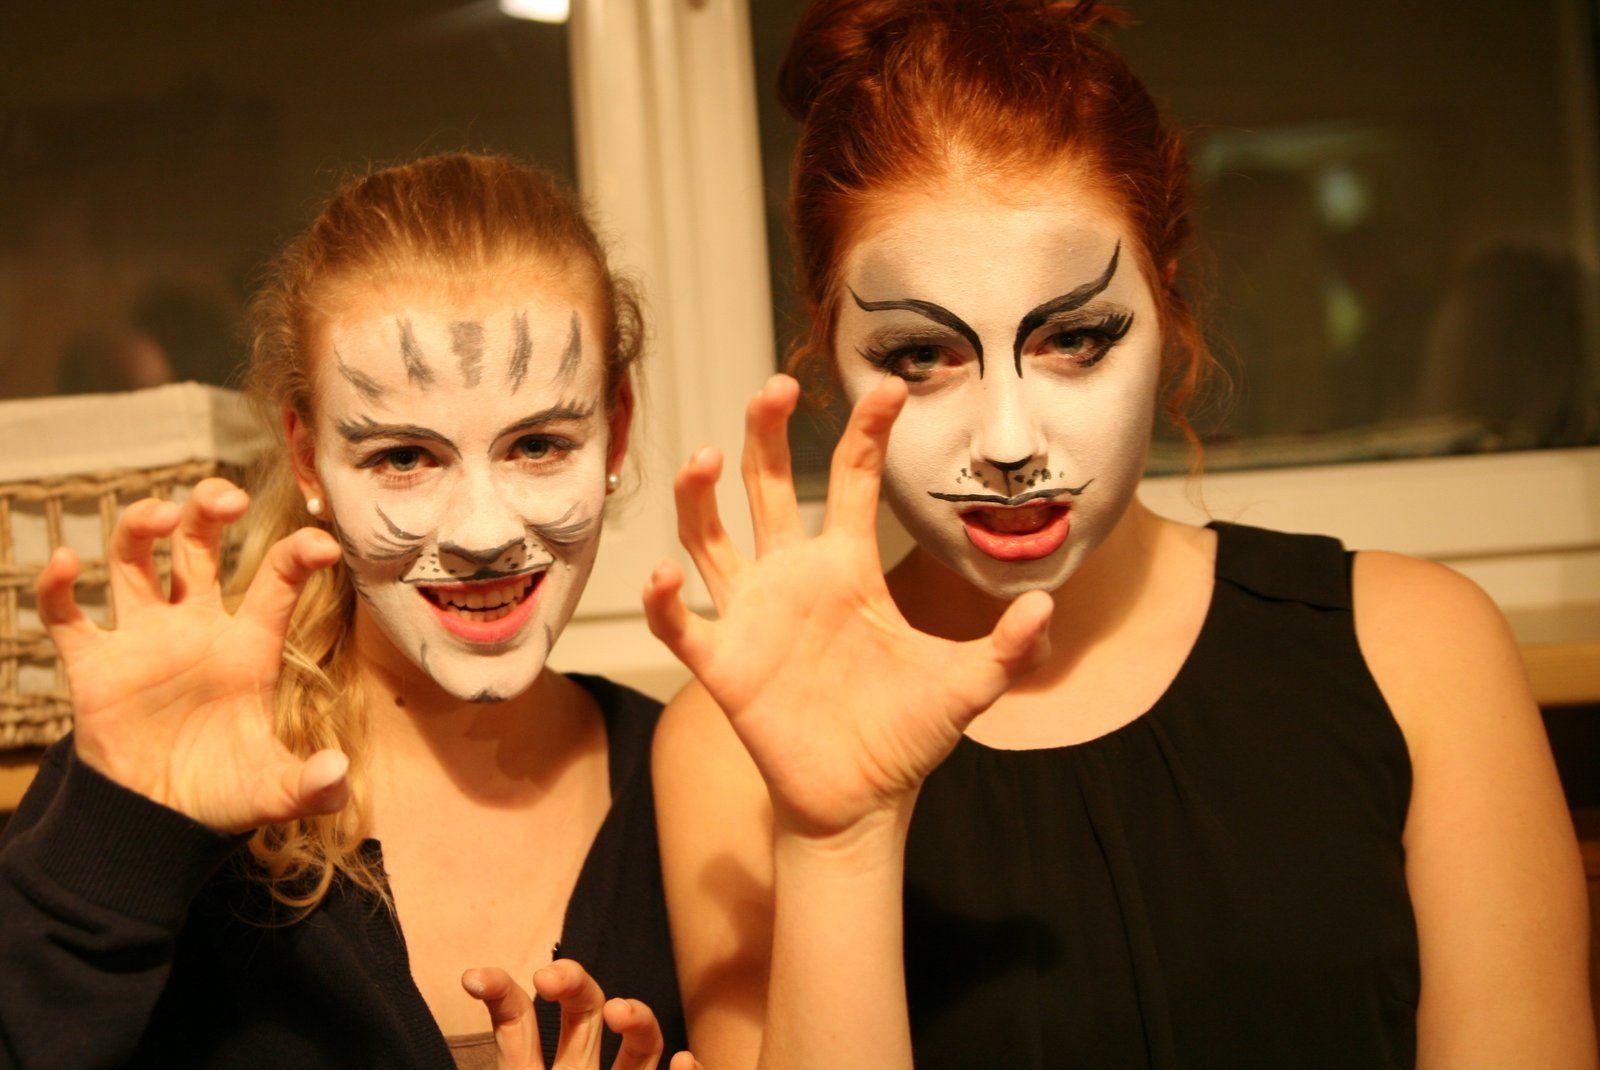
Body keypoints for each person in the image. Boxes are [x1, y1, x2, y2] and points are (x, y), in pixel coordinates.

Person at [645, 2, 1596, 1067]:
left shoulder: (1420, 652)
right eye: (919, 356)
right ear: (829, 350)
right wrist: (839, 841)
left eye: (1077, 338)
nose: (1009, 443)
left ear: (1168, 306)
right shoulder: (734, 743)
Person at [0, 153, 691, 1070]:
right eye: (403, 458)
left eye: (538, 444)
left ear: (618, 428)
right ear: (305, 456)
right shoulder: (186, 770)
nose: (483, 534)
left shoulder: (698, 789)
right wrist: (120, 841)